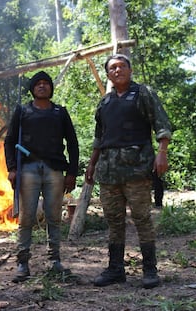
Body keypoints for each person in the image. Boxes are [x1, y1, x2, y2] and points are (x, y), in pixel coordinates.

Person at [85, 54, 172, 289]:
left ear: (129, 70)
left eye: (122, 66)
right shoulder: (104, 102)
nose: (117, 70)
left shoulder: (143, 93)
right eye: (112, 68)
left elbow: (161, 124)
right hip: (108, 171)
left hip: (137, 169)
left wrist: (161, 152)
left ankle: (150, 269)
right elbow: (99, 137)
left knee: (142, 218)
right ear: (108, 74)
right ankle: (115, 269)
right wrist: (92, 164)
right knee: (114, 221)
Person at [4, 71, 79, 282]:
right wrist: (11, 167)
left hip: (54, 169)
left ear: (51, 88)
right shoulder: (22, 111)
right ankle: (22, 263)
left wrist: (72, 172)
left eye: (46, 83)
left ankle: (54, 260)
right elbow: (9, 141)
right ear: (32, 88)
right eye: (38, 84)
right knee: (26, 217)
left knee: (53, 217)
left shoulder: (60, 112)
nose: (43, 86)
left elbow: (72, 144)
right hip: (28, 169)